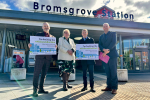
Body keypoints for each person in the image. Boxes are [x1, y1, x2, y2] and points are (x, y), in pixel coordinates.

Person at [28, 22, 57, 97]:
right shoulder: (38, 35)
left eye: (47, 26)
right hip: (39, 57)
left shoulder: (52, 37)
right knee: (36, 74)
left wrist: (55, 47)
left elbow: (53, 47)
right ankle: (35, 90)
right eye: (44, 26)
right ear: (42, 27)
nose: (46, 27)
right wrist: (30, 45)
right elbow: (33, 43)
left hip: (48, 58)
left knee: (44, 74)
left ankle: (41, 88)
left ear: (49, 27)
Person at [99, 23, 119, 94]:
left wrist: (107, 50)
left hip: (112, 56)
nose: (105, 27)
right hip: (105, 56)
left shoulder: (113, 34)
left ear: (109, 27)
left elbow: (113, 43)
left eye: (106, 26)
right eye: (104, 26)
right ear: (103, 28)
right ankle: (109, 86)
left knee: (113, 72)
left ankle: (114, 88)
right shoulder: (101, 36)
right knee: (107, 72)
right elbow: (99, 45)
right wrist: (103, 49)